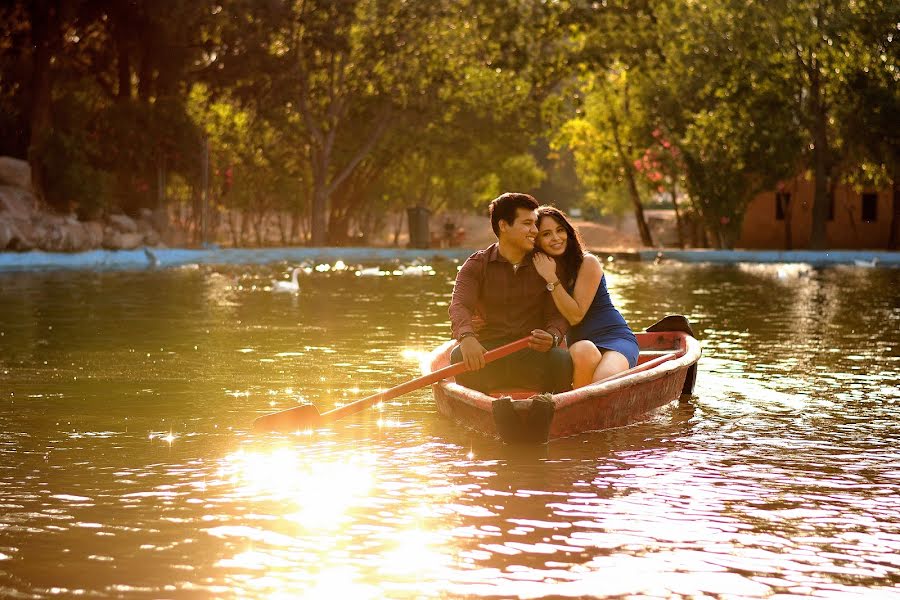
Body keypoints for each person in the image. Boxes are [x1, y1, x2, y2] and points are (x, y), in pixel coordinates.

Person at [449, 193, 573, 394]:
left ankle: (554, 409)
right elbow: (460, 306)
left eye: (535, 224)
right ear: (504, 225)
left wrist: (553, 336)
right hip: (489, 353)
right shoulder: (476, 265)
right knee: (458, 356)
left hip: (531, 351)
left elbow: (557, 315)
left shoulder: (546, 265)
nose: (535, 231)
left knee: (562, 359)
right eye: (527, 224)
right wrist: (467, 337)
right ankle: (479, 411)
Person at [531, 205, 639, 388]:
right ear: (537, 240)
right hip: (580, 348)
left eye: (560, 230)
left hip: (614, 339)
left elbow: (575, 315)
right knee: (583, 349)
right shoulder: (537, 270)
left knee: (603, 383)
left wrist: (551, 278)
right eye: (546, 234)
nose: (556, 238)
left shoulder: (588, 262)